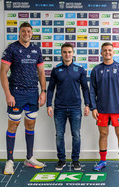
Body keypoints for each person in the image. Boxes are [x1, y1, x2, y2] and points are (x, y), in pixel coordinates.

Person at [0, 22, 46, 175]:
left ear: (32, 33)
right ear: (19, 33)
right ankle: (9, 161)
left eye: (29, 31)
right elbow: (3, 73)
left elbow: (41, 73)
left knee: (31, 124)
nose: (26, 33)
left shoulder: (36, 49)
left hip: (33, 92)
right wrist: (8, 94)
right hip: (16, 93)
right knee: (13, 125)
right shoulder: (11, 48)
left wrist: (43, 91)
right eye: (23, 31)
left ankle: (29, 158)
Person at [90, 42, 119, 173]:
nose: (107, 52)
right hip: (102, 110)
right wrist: (94, 107)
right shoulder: (96, 70)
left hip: (118, 109)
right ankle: (103, 161)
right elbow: (92, 91)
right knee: (103, 134)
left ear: (113, 52)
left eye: (109, 50)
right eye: (105, 50)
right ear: (101, 53)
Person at [47, 43, 90, 171]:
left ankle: (75, 160)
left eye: (69, 52)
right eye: (65, 52)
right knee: (59, 135)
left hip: (75, 108)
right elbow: (50, 89)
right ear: (61, 53)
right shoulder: (56, 69)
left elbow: (85, 89)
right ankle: (61, 160)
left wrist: (87, 104)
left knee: (76, 135)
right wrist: (49, 105)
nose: (67, 54)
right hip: (59, 108)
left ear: (73, 53)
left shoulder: (80, 69)